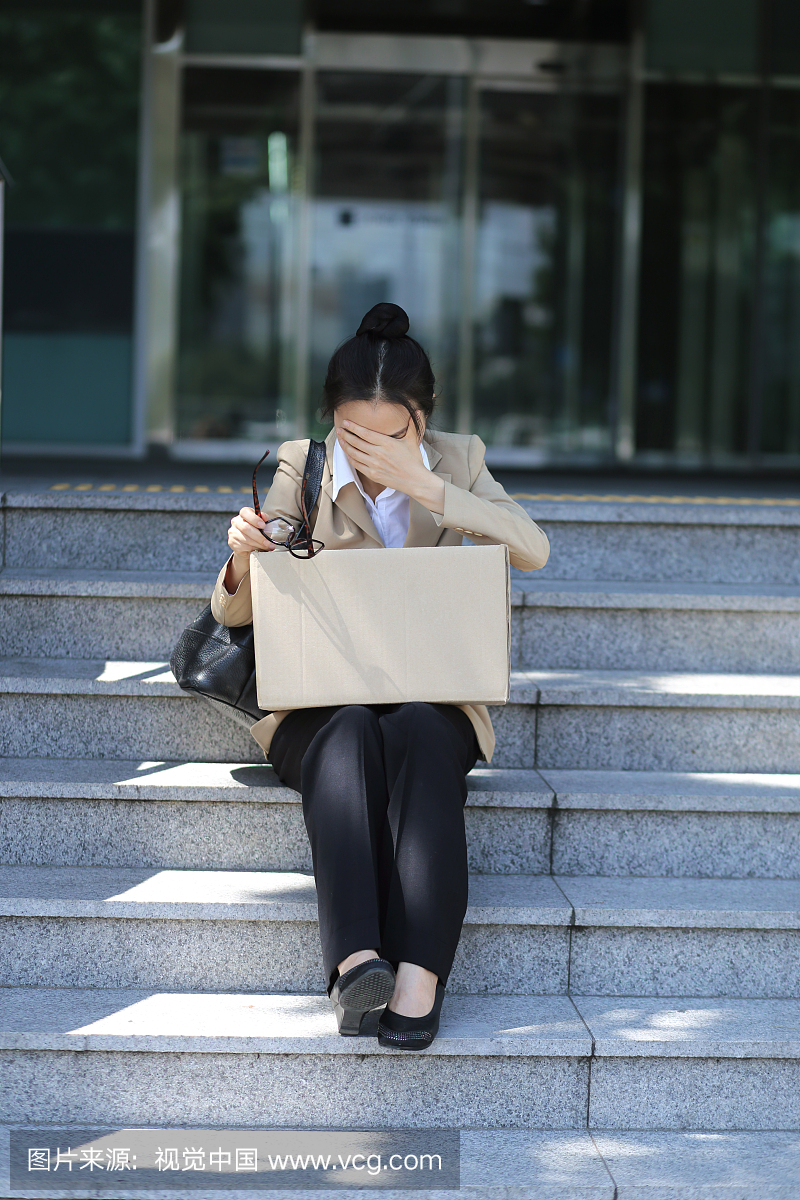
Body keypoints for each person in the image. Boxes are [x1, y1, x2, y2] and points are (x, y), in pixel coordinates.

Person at [211, 302, 549, 1050]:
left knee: (425, 733)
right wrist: (243, 555)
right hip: (321, 702)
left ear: (421, 420)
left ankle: (419, 976)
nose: (366, 450)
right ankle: (357, 960)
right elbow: (233, 610)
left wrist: (426, 487)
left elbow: (533, 548)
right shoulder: (304, 463)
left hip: (432, 695)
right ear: (331, 417)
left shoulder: (459, 460)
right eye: (352, 432)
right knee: (352, 731)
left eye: (387, 435)